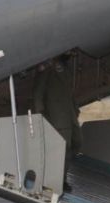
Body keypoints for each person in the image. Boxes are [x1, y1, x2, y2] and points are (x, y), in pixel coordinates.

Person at [31, 54, 82, 193]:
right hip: (56, 117)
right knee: (60, 150)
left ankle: (60, 178)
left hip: (70, 115)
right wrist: (40, 116)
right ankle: (54, 181)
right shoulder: (47, 67)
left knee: (75, 144)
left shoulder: (65, 68)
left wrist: (75, 109)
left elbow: (69, 92)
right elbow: (38, 93)